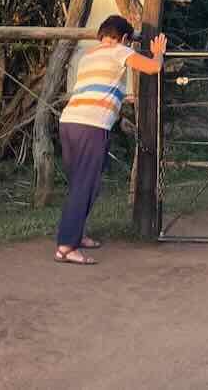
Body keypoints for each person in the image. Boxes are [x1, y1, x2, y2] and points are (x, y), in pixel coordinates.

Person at [54, 15, 166, 265]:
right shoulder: (119, 51)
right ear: (125, 38)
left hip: (69, 122)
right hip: (92, 126)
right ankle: (65, 246)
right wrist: (158, 53)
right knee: (85, 185)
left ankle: (77, 235)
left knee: (80, 184)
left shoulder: (89, 55)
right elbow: (153, 68)